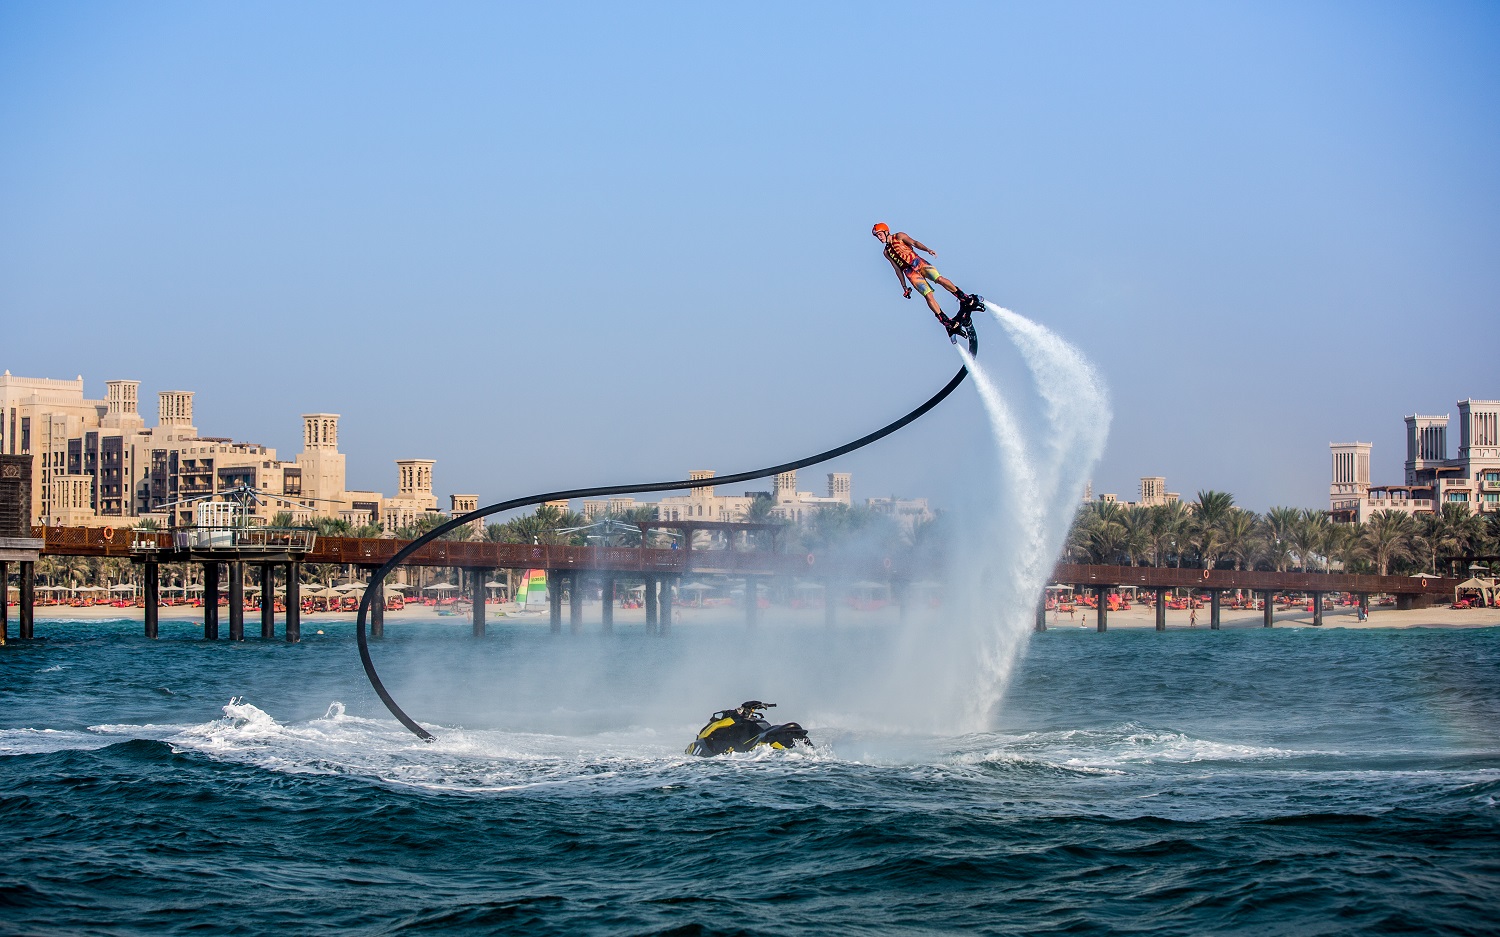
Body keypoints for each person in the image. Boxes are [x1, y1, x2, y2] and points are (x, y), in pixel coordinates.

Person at [872, 223, 969, 328]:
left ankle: (962, 297)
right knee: (928, 295)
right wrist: (904, 287)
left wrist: (927, 250)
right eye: (877, 236)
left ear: (886, 232)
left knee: (939, 279)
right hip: (909, 272)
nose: (879, 238)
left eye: (880, 234)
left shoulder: (899, 236)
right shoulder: (886, 252)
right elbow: (897, 269)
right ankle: (945, 321)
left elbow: (914, 243)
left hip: (918, 262)